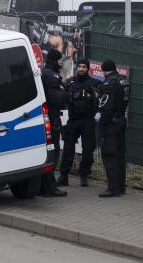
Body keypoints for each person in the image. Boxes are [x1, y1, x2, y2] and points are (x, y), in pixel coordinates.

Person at [57, 58, 100, 188]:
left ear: (88, 69)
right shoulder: (70, 83)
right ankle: (64, 176)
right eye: (79, 66)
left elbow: (102, 100)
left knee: (88, 149)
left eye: (84, 67)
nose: (81, 69)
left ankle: (84, 175)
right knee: (68, 148)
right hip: (73, 120)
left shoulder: (95, 83)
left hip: (88, 120)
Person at [97, 59, 130, 197]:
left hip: (111, 123)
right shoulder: (124, 80)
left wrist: (102, 123)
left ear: (104, 70)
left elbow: (106, 107)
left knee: (109, 155)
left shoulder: (108, 84)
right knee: (120, 155)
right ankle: (121, 186)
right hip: (121, 119)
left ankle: (113, 188)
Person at [40, 48, 67, 197]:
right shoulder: (52, 76)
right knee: (53, 150)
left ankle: (44, 186)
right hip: (51, 118)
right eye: (60, 61)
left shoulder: (44, 72)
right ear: (56, 61)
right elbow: (57, 99)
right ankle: (49, 187)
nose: (61, 63)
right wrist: (65, 90)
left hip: (46, 117)